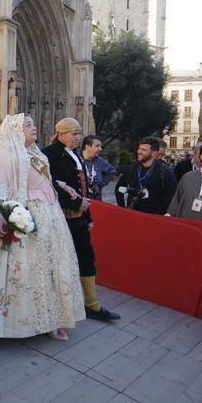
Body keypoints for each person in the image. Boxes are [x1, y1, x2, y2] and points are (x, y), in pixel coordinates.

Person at [0, 114, 85, 340]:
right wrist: (3, 216)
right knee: (24, 269)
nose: (33, 127)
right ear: (16, 131)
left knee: (51, 267)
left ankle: (51, 319)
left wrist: (62, 185)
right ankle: (10, 321)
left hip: (51, 216)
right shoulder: (6, 156)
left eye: (33, 124)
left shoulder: (37, 152)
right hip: (24, 217)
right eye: (27, 125)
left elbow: (43, 179)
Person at [42, 118, 120, 322]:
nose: (78, 137)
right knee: (62, 262)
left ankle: (92, 304)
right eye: (74, 134)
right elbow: (49, 185)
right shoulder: (49, 154)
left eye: (79, 133)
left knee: (87, 257)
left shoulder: (75, 154)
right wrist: (76, 204)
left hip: (79, 219)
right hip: (62, 218)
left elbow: (82, 187)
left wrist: (87, 215)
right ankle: (61, 305)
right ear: (61, 134)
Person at [115, 137, 178, 215]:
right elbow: (118, 188)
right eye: (139, 148)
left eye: (144, 150)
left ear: (154, 153)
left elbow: (172, 195)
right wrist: (123, 209)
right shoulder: (132, 168)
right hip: (133, 216)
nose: (139, 152)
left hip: (154, 219)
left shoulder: (165, 171)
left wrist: (161, 213)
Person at [80, 135, 116, 200]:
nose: (100, 149)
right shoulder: (76, 158)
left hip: (95, 199)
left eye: (100, 146)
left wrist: (101, 183)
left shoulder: (100, 161)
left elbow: (112, 171)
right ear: (87, 146)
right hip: (80, 199)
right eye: (97, 146)